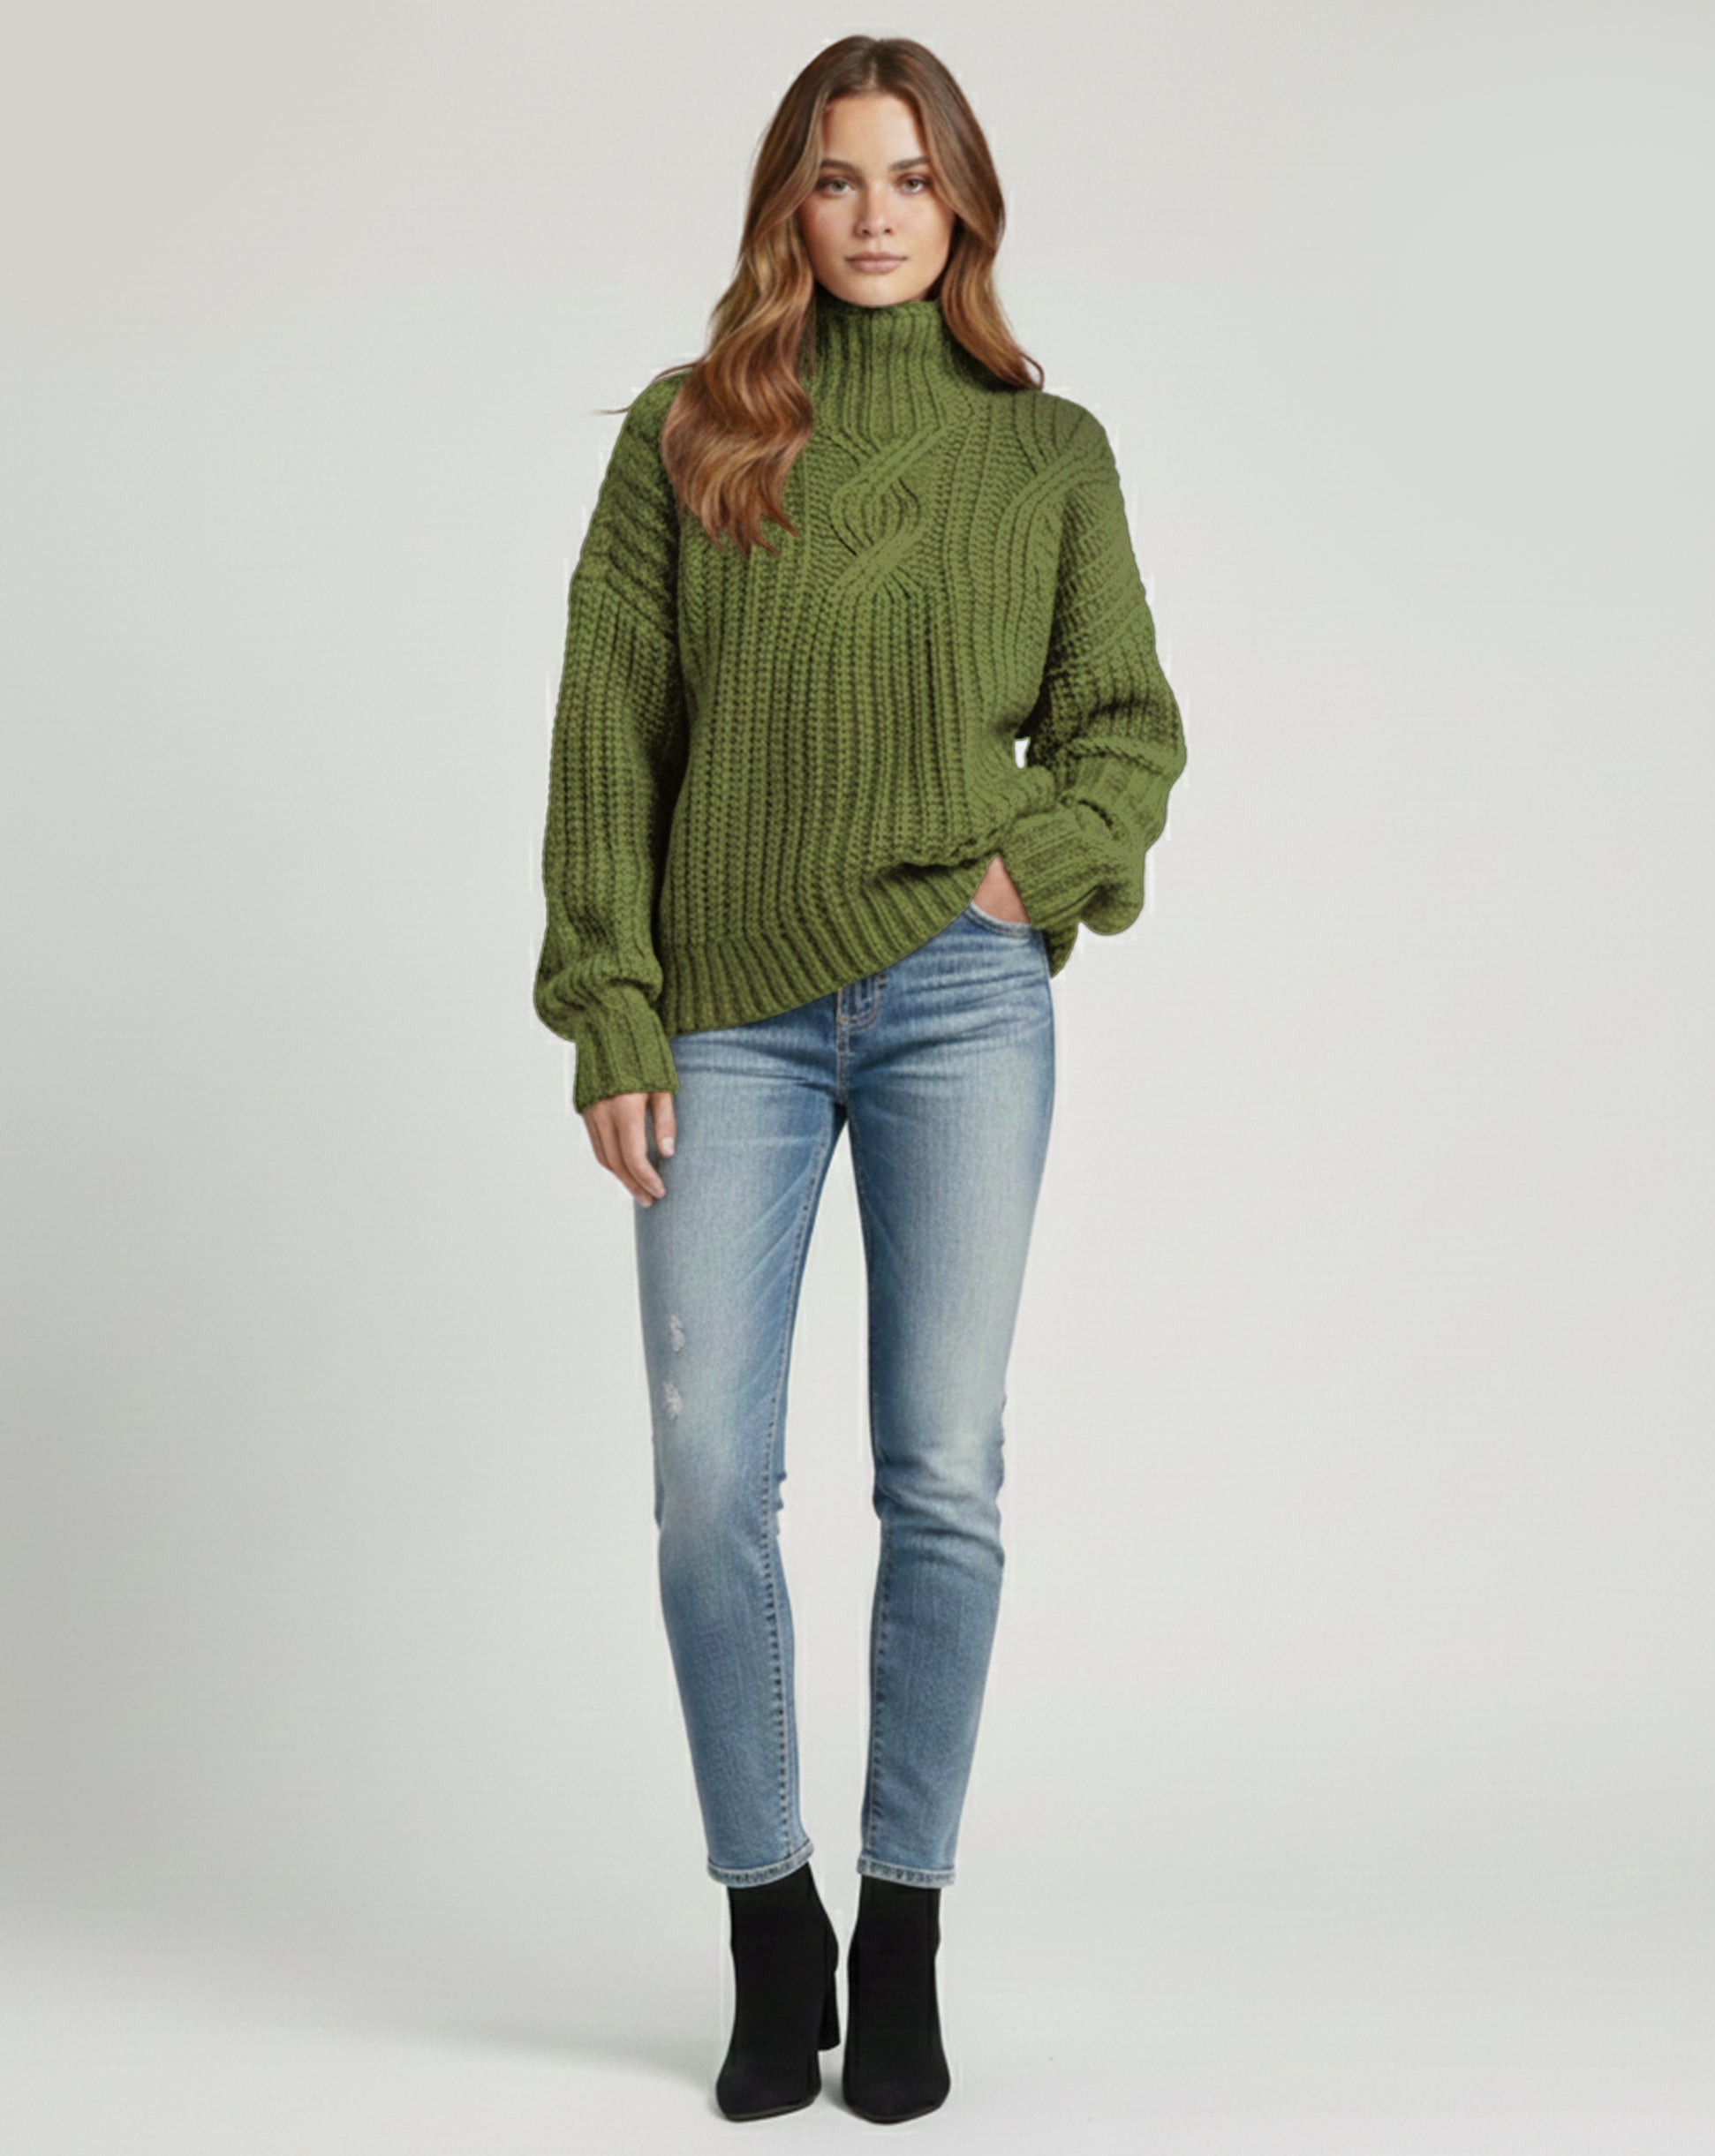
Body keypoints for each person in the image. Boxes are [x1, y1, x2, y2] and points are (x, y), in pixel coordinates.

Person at [533, 35, 1188, 2125]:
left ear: (961, 204)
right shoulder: (691, 431)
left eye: (911, 178)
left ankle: (900, 1927)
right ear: (787, 206)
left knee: (942, 1475)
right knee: (708, 1480)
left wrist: (1025, 871)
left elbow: (1126, 723)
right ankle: (767, 1920)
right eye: (837, 178)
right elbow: (604, 731)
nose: (876, 212)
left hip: (957, 1003)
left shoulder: (1048, 453)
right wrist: (608, 1006)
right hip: (720, 1013)